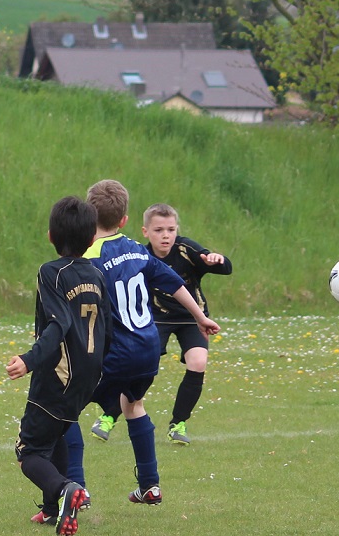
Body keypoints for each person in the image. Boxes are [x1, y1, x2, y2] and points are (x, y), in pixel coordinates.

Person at [65, 182, 219, 509]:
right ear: (125, 220)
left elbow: (83, 308)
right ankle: (150, 485)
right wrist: (200, 317)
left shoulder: (89, 258)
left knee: (64, 411)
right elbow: (174, 282)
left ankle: (77, 489)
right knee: (133, 404)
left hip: (116, 352)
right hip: (148, 349)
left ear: (89, 217)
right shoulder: (137, 249)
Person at [7, 196, 110, 536]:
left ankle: (65, 490)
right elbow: (108, 327)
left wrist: (29, 359)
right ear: (92, 238)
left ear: (50, 235)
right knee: (60, 429)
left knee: (30, 451)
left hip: (58, 374)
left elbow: (58, 324)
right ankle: (54, 508)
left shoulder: (51, 272)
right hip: (87, 375)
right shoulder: (96, 274)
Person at [136, 202, 232, 446]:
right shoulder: (140, 256)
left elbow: (225, 267)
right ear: (146, 232)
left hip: (193, 318)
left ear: (177, 229)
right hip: (156, 319)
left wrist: (215, 261)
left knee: (198, 362)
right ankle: (110, 413)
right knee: (140, 365)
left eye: (170, 229)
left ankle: (178, 423)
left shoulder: (186, 249)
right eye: (158, 230)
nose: (165, 235)